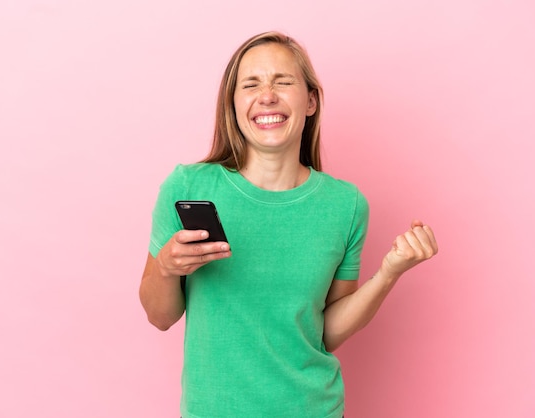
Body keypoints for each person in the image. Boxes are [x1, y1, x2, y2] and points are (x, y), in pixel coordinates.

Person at [139, 31, 438, 418]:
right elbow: (160, 317)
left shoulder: (346, 205)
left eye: (283, 82)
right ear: (233, 104)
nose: (267, 95)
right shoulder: (188, 186)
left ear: (310, 101)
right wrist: (166, 268)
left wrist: (388, 274)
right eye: (251, 84)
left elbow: (326, 333)